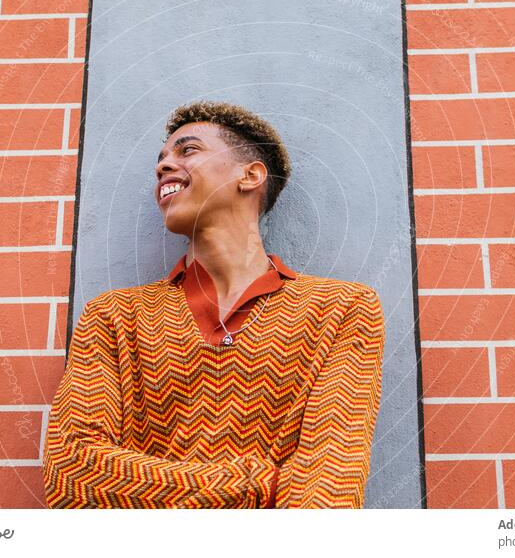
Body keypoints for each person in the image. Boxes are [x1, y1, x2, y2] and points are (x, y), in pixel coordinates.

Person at [42, 101, 385, 508]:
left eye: (187, 151)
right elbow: (72, 472)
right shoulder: (114, 316)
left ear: (251, 175)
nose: (163, 166)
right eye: (162, 158)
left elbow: (330, 488)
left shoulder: (342, 309)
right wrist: (260, 481)